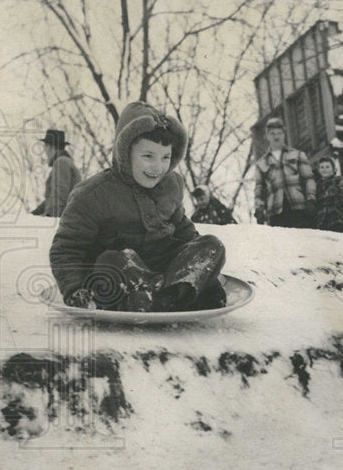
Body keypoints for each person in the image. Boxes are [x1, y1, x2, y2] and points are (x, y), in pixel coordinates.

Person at [50, 101, 227, 312]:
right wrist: (74, 289)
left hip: (163, 267)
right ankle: (170, 296)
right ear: (125, 153)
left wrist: (199, 265)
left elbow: (182, 229)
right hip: (121, 273)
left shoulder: (172, 184)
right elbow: (66, 249)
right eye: (148, 156)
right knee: (112, 260)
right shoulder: (92, 195)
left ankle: (164, 297)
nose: (158, 167)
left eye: (166, 157)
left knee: (212, 245)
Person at [253, 116, 316, 228]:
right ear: (267, 136)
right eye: (272, 134)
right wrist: (259, 208)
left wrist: (311, 199)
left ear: (284, 135)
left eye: (279, 133)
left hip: (299, 209)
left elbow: (309, 179)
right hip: (276, 213)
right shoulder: (261, 163)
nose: (276, 137)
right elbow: (259, 189)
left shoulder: (297, 155)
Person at [31, 129, 81, 217]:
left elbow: (59, 196)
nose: (45, 152)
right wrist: (34, 214)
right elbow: (52, 198)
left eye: (45, 147)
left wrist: (50, 217)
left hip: (60, 220)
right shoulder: (65, 162)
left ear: (51, 147)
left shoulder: (61, 163)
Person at [313, 154, 343, 233]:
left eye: (327, 167)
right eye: (322, 167)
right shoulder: (318, 184)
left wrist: (331, 191)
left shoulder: (338, 180)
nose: (324, 170)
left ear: (333, 169)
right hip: (323, 220)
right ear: (318, 170)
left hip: (338, 219)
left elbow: (342, 189)